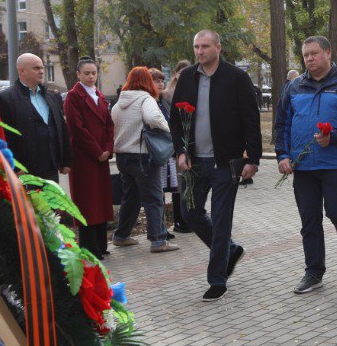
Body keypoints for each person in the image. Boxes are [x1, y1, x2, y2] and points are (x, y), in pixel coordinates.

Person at [274, 35, 337, 294]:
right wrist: (283, 154)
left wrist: (336, 136)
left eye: (314, 53)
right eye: (306, 55)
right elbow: (281, 123)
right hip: (303, 166)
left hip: (335, 162)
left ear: (327, 53)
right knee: (309, 220)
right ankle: (314, 272)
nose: (309, 59)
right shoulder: (294, 87)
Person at [171, 29, 262, 301]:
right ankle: (230, 251)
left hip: (226, 163)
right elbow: (176, 120)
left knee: (221, 221)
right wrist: (180, 151)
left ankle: (217, 280)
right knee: (190, 213)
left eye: (205, 46)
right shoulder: (187, 77)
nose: (200, 51)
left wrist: (253, 159)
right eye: (196, 47)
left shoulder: (236, 77)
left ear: (218, 48)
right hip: (194, 163)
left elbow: (250, 121)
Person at [110, 67, 177, 254]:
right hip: (143, 157)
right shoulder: (145, 99)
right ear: (147, 81)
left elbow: (112, 123)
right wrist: (169, 131)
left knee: (131, 198)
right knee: (153, 198)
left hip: (123, 156)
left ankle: (121, 236)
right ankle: (158, 240)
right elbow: (153, 118)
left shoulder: (118, 103)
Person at [63, 58, 116, 258]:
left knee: (101, 200)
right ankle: (89, 248)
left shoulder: (100, 96)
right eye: (86, 73)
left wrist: (108, 148)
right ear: (78, 74)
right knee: (87, 203)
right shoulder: (73, 97)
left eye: (93, 73)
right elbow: (77, 128)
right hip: (85, 157)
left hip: (101, 156)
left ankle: (101, 245)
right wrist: (97, 151)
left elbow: (109, 125)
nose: (91, 77)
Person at [0, 53, 71, 181]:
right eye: (36, 68)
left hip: (51, 168)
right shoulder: (5, 98)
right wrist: (14, 167)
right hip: (24, 171)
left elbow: (61, 128)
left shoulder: (50, 97)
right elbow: (4, 136)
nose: (41, 71)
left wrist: (66, 160)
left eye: (42, 68)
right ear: (21, 71)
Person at [150, 68, 186, 233]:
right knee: (160, 191)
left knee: (174, 186)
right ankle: (160, 228)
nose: (159, 84)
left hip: (168, 149)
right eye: (156, 80)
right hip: (157, 151)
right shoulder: (150, 101)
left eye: (161, 80)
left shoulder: (159, 100)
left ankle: (177, 222)